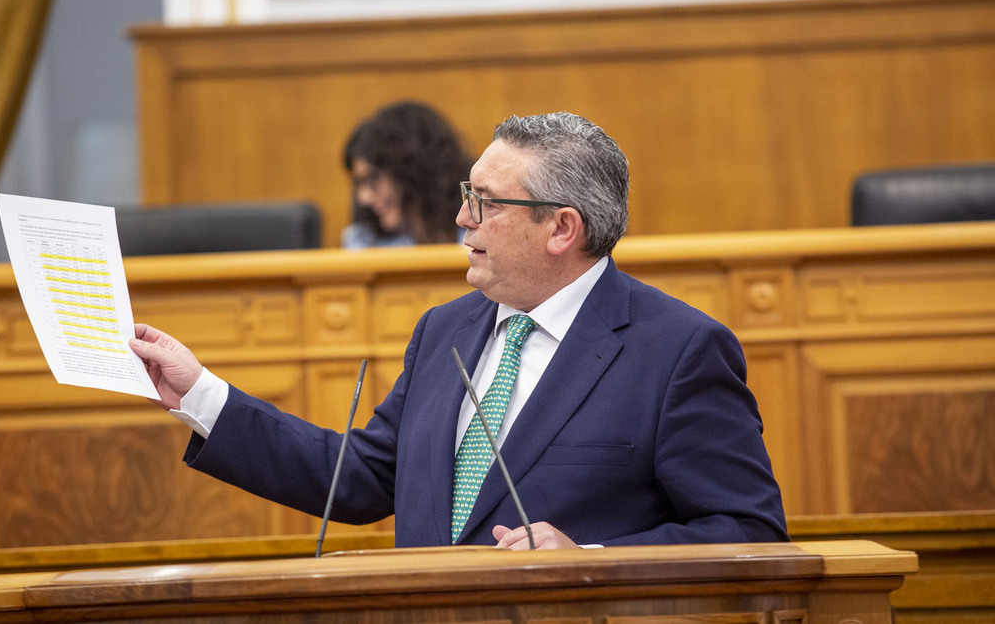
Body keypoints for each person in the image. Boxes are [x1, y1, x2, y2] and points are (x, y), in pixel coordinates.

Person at [130, 112, 788, 550]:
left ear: (562, 227)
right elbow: (359, 479)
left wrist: (590, 555)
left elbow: (749, 528)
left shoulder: (677, 349)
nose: (460, 217)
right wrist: (203, 395)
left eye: (485, 203)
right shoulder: (444, 330)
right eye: (465, 194)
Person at [341, 100, 473, 249]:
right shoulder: (364, 245)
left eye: (373, 178)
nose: (363, 198)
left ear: (411, 171)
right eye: (359, 183)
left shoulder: (477, 236)